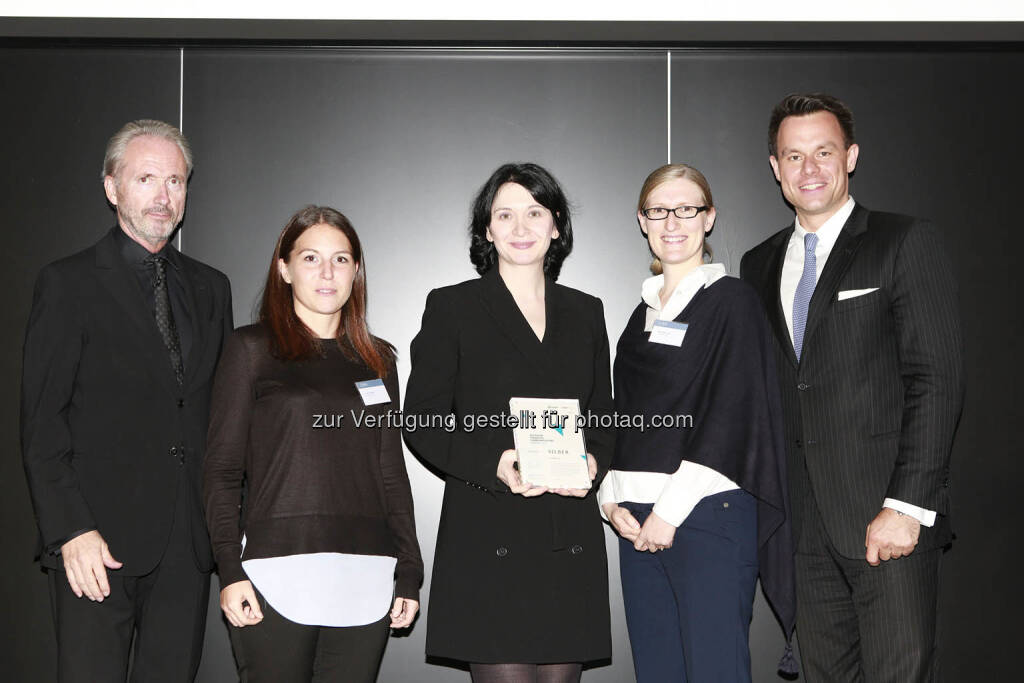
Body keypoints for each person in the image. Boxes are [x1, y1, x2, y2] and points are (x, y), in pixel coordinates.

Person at [740, 93, 965, 682]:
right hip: (801, 528)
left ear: (852, 156)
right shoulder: (757, 264)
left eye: (824, 151)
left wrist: (906, 506)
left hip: (885, 518)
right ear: (775, 167)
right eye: (793, 156)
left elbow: (936, 379)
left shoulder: (903, 241)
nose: (809, 169)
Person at [20, 119, 233, 682]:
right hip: (96, 546)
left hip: (187, 547)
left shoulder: (213, 288)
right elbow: (43, 425)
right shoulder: (68, 284)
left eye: (176, 181)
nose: (164, 196)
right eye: (146, 178)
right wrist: (69, 530)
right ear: (112, 188)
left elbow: (214, 416)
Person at [403, 163, 614, 682]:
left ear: (557, 224)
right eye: (505, 215)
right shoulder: (453, 307)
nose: (521, 228)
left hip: (568, 536)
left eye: (535, 213)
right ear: (487, 229)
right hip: (488, 531)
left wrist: (593, 460)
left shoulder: (586, 311)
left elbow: (604, 415)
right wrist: (493, 462)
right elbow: (422, 419)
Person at [203, 206, 423, 682]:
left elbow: (390, 471)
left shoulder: (378, 359)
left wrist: (410, 568)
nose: (327, 272)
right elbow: (221, 473)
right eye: (310, 258)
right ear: (283, 268)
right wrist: (229, 569)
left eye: (341, 259)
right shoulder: (250, 350)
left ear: (356, 270)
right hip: (274, 576)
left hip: (366, 576)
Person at [598, 163, 795, 682]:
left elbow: (733, 415)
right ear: (642, 221)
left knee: (714, 672)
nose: (672, 222)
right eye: (659, 210)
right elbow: (626, 419)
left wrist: (669, 510)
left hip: (706, 513)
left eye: (687, 209)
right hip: (637, 519)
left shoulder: (733, 301)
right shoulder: (638, 314)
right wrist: (610, 499)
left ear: (709, 218)